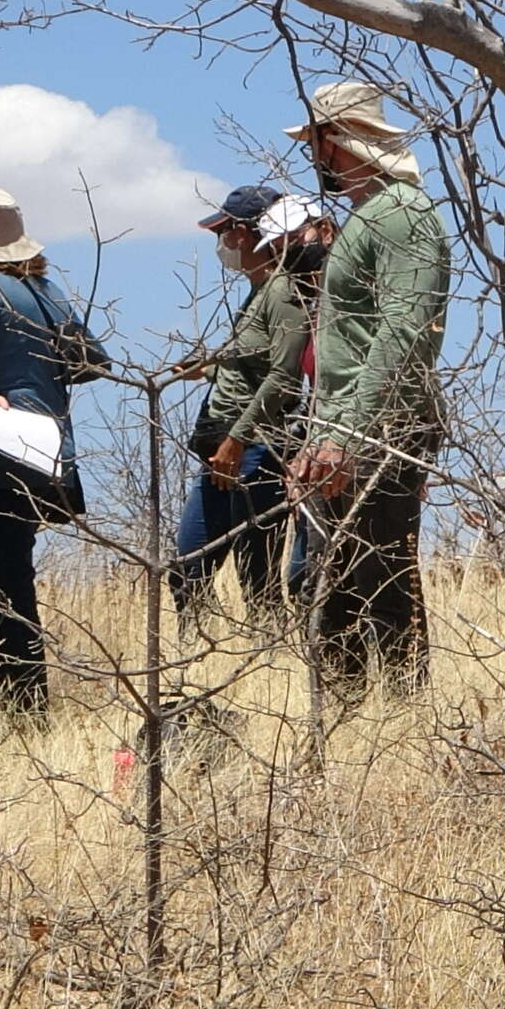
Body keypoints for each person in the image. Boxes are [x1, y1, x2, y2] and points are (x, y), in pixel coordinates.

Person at [285, 81, 451, 691]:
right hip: (350, 426)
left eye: (315, 142)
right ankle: (350, 735)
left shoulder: (401, 215)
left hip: (382, 427)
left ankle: (405, 731)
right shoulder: (369, 216)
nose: (312, 155)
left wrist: (345, 437)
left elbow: (403, 333)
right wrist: (322, 435)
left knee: (382, 584)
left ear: (334, 141)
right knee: (337, 591)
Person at [0, 188, 112, 716]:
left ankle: (21, 706)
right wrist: (40, 382)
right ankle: (5, 701)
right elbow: (95, 361)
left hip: (4, 453)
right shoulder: (46, 290)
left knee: (0, 583)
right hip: (51, 451)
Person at [171, 185, 307, 629]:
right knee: (189, 565)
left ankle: (269, 668)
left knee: (258, 572)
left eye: (224, 232)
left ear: (246, 235)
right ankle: (196, 661)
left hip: (257, 450)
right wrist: (209, 369)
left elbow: (283, 378)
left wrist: (237, 439)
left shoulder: (283, 292)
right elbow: (251, 366)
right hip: (224, 448)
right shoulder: (257, 292)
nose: (221, 244)